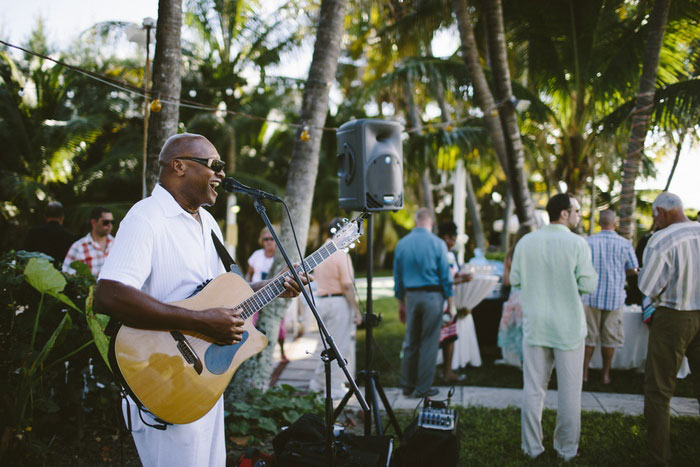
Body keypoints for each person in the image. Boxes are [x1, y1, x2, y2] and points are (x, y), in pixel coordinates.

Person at [94, 133, 307, 467]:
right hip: (162, 375)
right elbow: (108, 295)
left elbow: (219, 294)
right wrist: (199, 321)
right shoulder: (146, 217)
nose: (222, 174)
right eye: (215, 165)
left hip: (201, 379)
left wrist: (273, 284)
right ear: (179, 166)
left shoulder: (207, 223)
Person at [510, 193, 597, 461]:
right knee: (570, 392)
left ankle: (531, 447)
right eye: (577, 210)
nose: (579, 215)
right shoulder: (577, 244)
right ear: (564, 213)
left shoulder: (526, 242)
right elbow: (588, 285)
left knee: (533, 389)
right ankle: (567, 449)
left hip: (536, 325)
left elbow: (515, 280)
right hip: (568, 327)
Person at [638, 192, 700, 467]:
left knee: (659, 390)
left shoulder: (661, 240)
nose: (654, 222)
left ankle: (658, 458)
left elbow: (647, 287)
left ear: (661, 213)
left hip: (674, 317)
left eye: (654, 217)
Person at [394, 208, 453, 398]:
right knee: (429, 342)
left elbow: (398, 277)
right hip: (433, 297)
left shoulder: (402, 244)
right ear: (431, 223)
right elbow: (445, 276)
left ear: (415, 221)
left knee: (411, 341)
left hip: (411, 297)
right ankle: (423, 388)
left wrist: (400, 303)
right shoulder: (438, 244)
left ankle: (407, 385)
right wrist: (450, 303)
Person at [580, 209, 638, 384]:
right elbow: (633, 269)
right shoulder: (624, 244)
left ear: (599, 222)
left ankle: (584, 374)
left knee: (589, 338)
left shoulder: (588, 242)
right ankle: (605, 375)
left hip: (591, 296)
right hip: (614, 297)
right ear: (615, 223)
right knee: (609, 339)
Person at [308, 218, 363, 398]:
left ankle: (317, 384)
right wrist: (356, 309)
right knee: (339, 346)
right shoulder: (340, 253)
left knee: (324, 345)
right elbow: (347, 285)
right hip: (337, 302)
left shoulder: (321, 251)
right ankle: (334, 388)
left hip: (322, 301)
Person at [246, 226, 289, 361]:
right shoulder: (256, 255)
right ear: (262, 240)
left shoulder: (279, 259)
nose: (269, 242)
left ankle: (282, 352)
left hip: (274, 297)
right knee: (252, 324)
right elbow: (250, 273)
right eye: (266, 239)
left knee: (280, 329)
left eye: (272, 239)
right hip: (256, 296)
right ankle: (252, 353)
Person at [437, 221, 471, 382]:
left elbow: (451, 276)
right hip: (443, 301)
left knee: (449, 337)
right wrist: (462, 279)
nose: (453, 242)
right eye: (452, 239)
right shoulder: (443, 253)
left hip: (447, 300)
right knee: (444, 338)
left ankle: (446, 371)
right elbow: (446, 280)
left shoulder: (448, 254)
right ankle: (444, 372)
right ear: (445, 237)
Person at [497, 224, 534, 368]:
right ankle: (527, 361)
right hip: (530, 296)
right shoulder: (533, 254)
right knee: (526, 331)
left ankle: (514, 359)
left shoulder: (510, 255)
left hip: (515, 296)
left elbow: (506, 282)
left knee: (514, 329)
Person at [23, 201, 77, 269]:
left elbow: (25, 256)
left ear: (45, 216)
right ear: (62, 217)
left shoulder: (33, 233)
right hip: (59, 277)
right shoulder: (70, 237)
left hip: (36, 274)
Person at [62, 206, 114, 275]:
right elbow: (67, 274)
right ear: (94, 222)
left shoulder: (117, 244)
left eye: (112, 222)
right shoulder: (78, 247)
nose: (110, 225)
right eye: (106, 222)